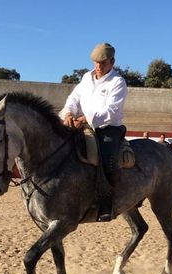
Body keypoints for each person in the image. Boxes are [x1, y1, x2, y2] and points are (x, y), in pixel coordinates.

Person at [59, 42, 128, 222]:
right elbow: (73, 99)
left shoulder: (118, 82)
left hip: (108, 128)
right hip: (82, 124)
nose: (98, 66)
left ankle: (107, 202)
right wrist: (68, 113)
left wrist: (85, 118)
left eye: (103, 63)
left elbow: (111, 111)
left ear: (112, 62)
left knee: (108, 160)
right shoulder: (86, 78)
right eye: (96, 63)